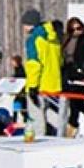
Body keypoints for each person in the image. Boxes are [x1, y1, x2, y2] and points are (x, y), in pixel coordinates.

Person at [21, 8, 63, 136]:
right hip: (54, 84)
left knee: (37, 119)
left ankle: (39, 147)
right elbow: (60, 61)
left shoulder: (33, 40)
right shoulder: (54, 38)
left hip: (40, 85)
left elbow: (34, 64)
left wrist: (32, 85)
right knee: (54, 120)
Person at [61, 16, 84, 138]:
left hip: (82, 74)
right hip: (70, 74)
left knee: (76, 103)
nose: (77, 31)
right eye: (74, 29)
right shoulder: (67, 40)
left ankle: (74, 126)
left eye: (79, 28)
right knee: (75, 103)